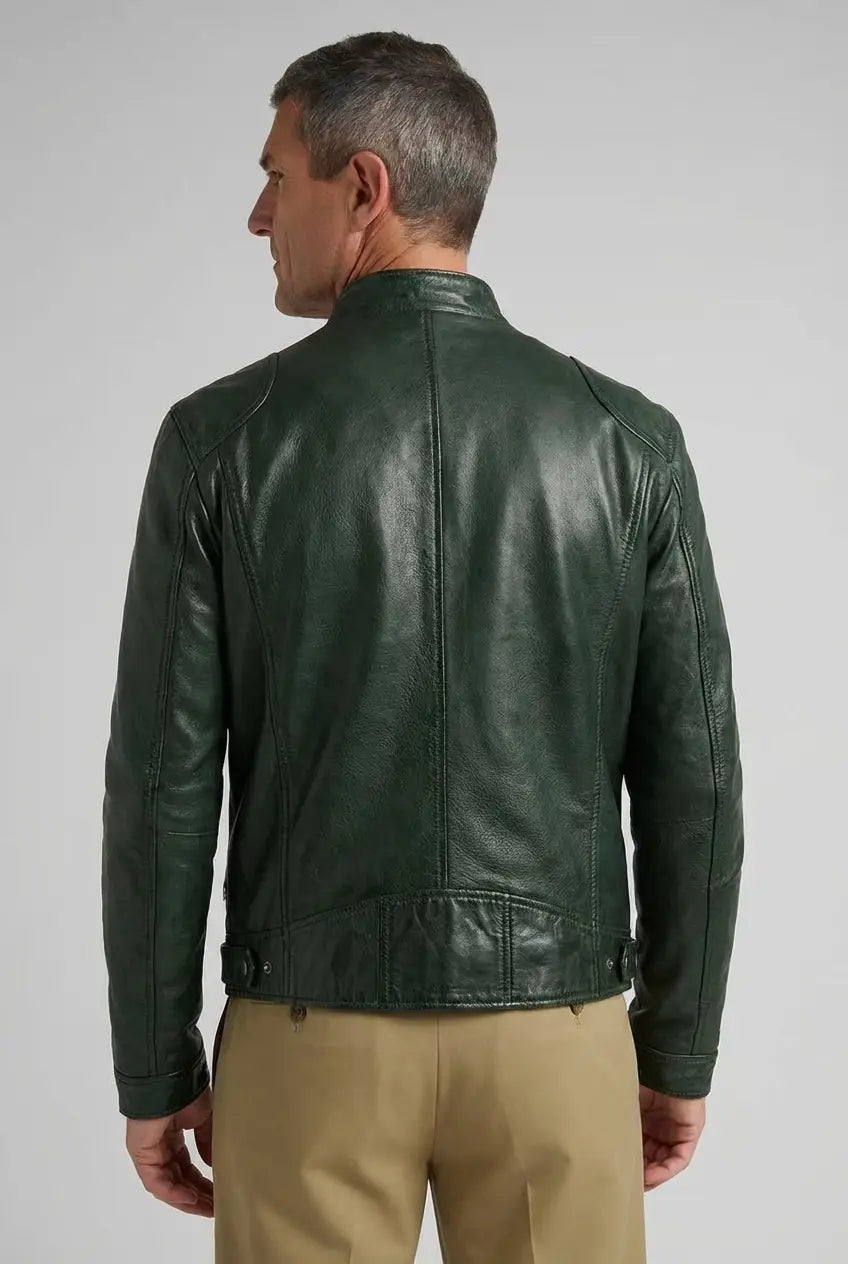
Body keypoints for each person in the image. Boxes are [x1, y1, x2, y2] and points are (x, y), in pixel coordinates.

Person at [100, 29, 744, 1264]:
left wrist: (154, 1066)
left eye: (275, 175)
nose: (257, 214)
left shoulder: (221, 440)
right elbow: (695, 780)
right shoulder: (627, 441)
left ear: (364, 186)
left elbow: (163, 786)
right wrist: (675, 1047)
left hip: (308, 1039)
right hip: (557, 1037)